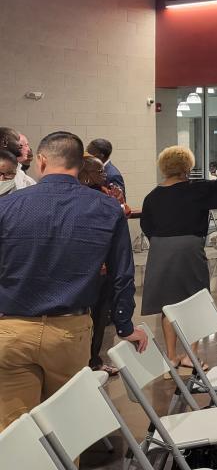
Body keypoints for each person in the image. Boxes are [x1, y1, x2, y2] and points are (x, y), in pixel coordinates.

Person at [0, 131, 147, 431]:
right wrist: (125, 326)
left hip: (11, 331)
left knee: (12, 432)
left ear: (41, 161)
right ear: (79, 164)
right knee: (65, 426)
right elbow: (122, 273)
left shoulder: (7, 206)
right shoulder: (107, 209)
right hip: (70, 331)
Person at [141, 145, 217, 367]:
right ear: (187, 166)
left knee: (167, 304)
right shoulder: (196, 189)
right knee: (194, 300)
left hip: (159, 251)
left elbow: (147, 227)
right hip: (188, 248)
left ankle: (171, 356)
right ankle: (191, 356)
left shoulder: (152, 197)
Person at [77, 155, 129, 376]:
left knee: (100, 319)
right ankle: (82, 365)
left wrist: (119, 203)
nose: (105, 176)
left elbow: (123, 214)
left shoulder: (106, 193)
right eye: (99, 172)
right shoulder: (83, 198)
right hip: (87, 270)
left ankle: (94, 360)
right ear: (86, 176)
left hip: (105, 268)